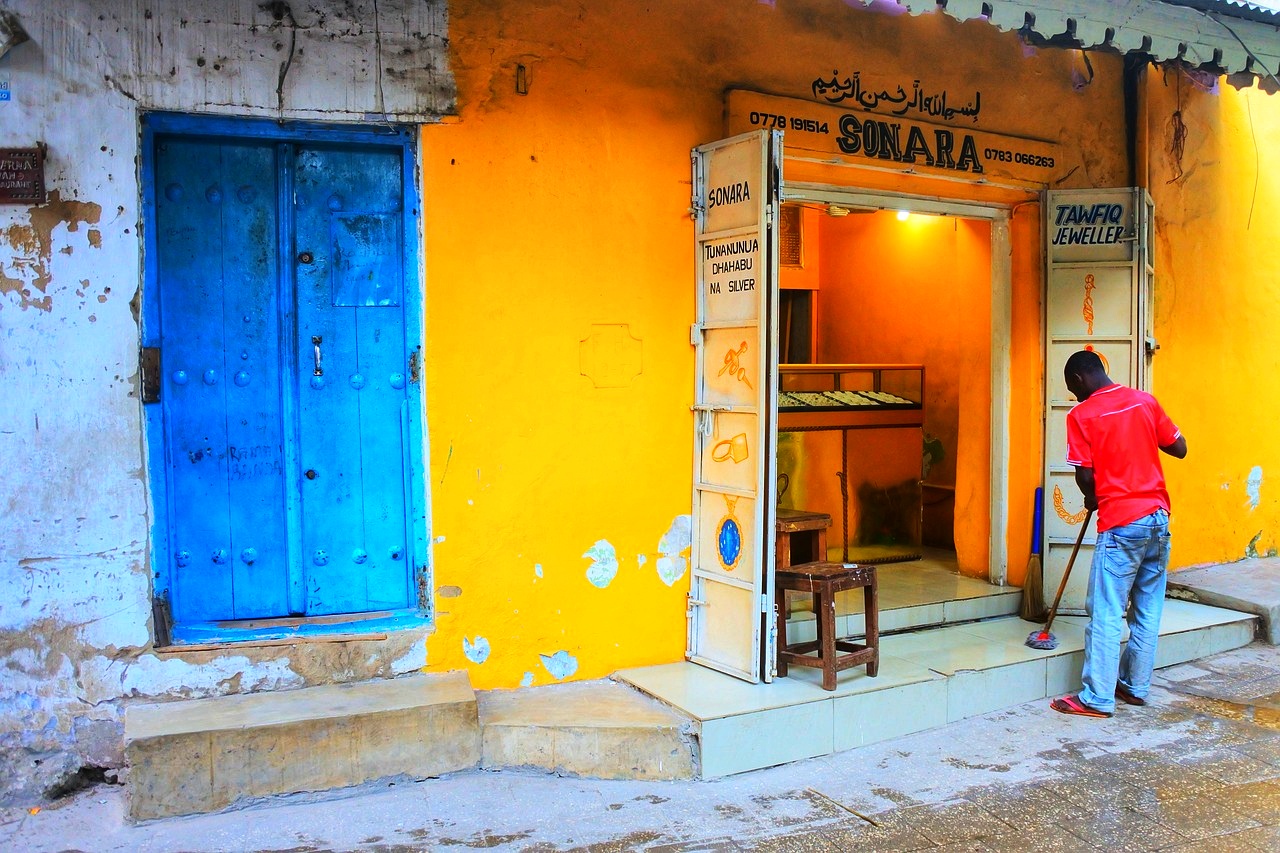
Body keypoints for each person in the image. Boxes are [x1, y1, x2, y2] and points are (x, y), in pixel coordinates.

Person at [1050, 350, 1187, 718]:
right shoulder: (1145, 402)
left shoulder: (1082, 415)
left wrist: (1092, 497)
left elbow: (1084, 474)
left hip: (1122, 523)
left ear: (1079, 379)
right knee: (1147, 607)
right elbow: (1179, 447)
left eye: (1071, 388)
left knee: (1107, 611)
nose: (1073, 396)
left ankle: (1096, 698)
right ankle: (1136, 686)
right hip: (1158, 518)